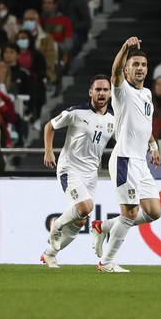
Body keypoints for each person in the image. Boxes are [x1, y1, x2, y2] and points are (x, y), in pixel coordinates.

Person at [91, 37, 161, 273]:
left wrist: (153, 146)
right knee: (130, 213)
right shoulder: (122, 90)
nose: (140, 68)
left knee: (153, 212)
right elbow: (114, 75)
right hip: (124, 160)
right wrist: (124, 48)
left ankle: (104, 226)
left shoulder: (148, 94)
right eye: (135, 65)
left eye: (143, 65)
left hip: (141, 162)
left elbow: (144, 125)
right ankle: (106, 262)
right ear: (127, 69)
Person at [41, 74, 114, 267]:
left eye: (105, 90)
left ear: (110, 93)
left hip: (91, 174)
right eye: (98, 89)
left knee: (80, 221)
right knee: (85, 208)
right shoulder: (76, 112)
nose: (101, 93)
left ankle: (49, 254)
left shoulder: (113, 120)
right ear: (91, 92)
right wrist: (49, 151)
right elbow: (50, 126)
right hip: (69, 169)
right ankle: (56, 224)